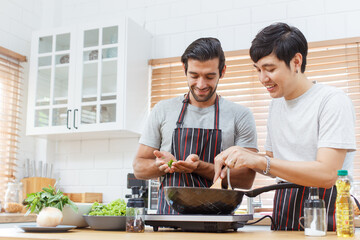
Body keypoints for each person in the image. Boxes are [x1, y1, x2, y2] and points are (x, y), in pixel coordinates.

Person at [214, 23, 356, 231]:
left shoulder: (332, 101)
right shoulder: (276, 104)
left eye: (270, 69)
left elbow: (328, 174)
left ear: (296, 61)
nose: (263, 79)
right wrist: (239, 154)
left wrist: (260, 161)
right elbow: (273, 162)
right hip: (285, 209)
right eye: (258, 70)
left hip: (325, 210)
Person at [133, 37, 258, 214]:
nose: (201, 85)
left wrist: (199, 167)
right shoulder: (163, 110)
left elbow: (246, 179)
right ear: (185, 69)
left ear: (222, 72)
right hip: (169, 222)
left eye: (209, 76)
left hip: (217, 223)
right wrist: (163, 165)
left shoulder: (241, 115)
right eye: (194, 75)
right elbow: (139, 168)